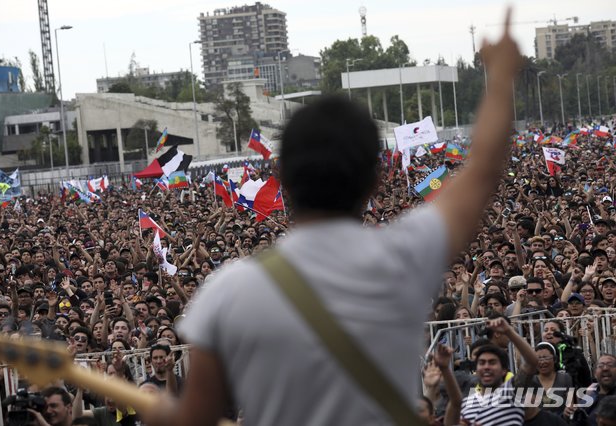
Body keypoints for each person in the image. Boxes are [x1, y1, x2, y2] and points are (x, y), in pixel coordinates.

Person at [145, 8, 524, 426]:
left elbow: (194, 419)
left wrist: (165, 412)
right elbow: (484, 168)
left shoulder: (228, 290)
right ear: (376, 179)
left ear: (281, 178)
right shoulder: (404, 257)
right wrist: (501, 73)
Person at [459, 317, 539, 425]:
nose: (486, 367)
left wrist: (509, 332)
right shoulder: (466, 404)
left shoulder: (510, 393)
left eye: (492, 362)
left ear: (504, 370)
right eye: (482, 363)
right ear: (476, 369)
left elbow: (531, 362)